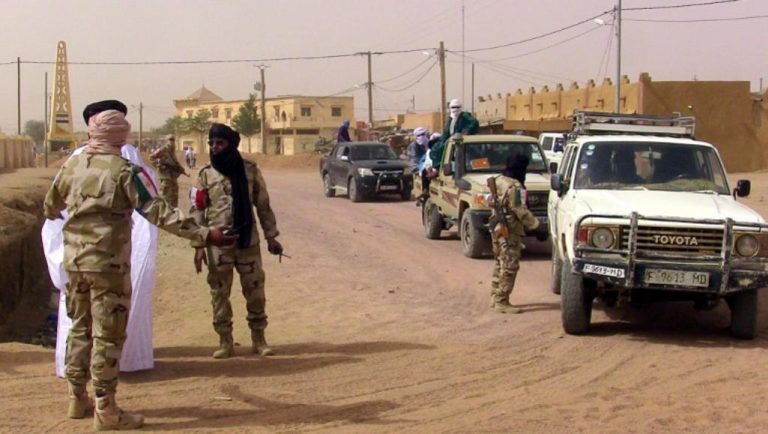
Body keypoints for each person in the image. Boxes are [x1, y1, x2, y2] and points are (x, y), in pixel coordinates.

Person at [43, 104, 234, 430]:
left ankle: (77, 397)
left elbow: (50, 206)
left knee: (79, 328)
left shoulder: (72, 166)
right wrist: (206, 234)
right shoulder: (125, 172)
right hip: (108, 266)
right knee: (107, 336)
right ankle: (106, 410)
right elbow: (159, 213)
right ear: (121, 137)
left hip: (74, 264)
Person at [190, 123, 283, 359]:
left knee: (255, 291)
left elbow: (263, 205)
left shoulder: (249, 170)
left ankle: (259, 339)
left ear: (231, 144)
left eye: (220, 143)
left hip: (247, 242)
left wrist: (271, 236)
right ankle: (225, 341)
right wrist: (199, 245)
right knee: (219, 294)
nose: (215, 147)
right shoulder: (205, 174)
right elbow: (198, 211)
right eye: (211, 143)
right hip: (217, 245)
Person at [488, 154, 540, 314]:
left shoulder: (498, 180)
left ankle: (495, 295)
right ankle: (501, 301)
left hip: (496, 226)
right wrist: (536, 225)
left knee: (499, 262)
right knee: (510, 264)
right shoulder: (515, 187)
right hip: (509, 229)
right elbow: (520, 210)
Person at [430, 99, 479, 170]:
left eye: (457, 107)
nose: (455, 109)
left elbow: (473, 123)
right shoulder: (451, 119)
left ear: (461, 107)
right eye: (453, 107)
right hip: (451, 143)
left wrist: (465, 131)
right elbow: (446, 133)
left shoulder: (465, 117)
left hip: (463, 143)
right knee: (436, 150)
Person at [150, 134, 186, 206]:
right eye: (170, 139)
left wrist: (180, 168)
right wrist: (160, 165)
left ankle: (173, 209)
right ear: (167, 141)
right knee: (166, 196)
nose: (172, 141)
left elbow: (175, 162)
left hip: (172, 176)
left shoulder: (172, 151)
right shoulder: (163, 149)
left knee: (174, 195)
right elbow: (151, 157)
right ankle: (164, 210)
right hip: (165, 176)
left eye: (173, 139)